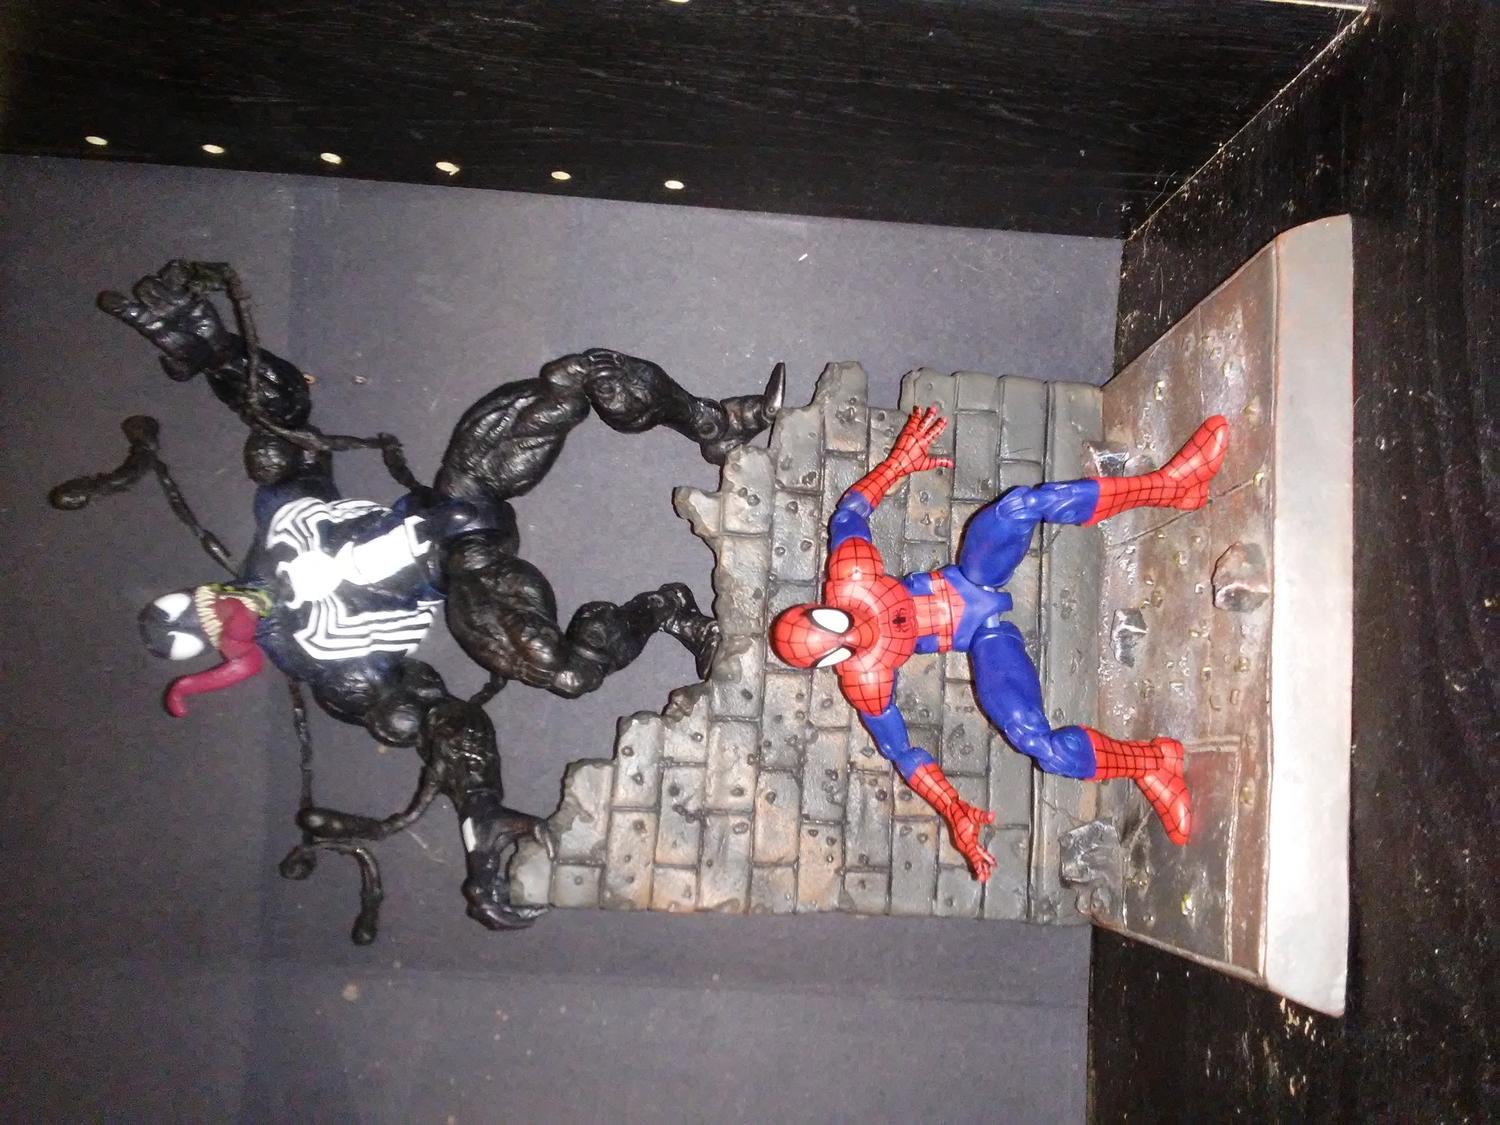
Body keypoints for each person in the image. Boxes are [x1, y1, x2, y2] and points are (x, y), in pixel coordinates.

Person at [769, 406, 1228, 880]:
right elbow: (902, 753)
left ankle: (1172, 485)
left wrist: (898, 463)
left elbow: (850, 511)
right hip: (982, 641)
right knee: (1037, 743)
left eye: (834, 622)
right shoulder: (865, 679)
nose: (855, 635)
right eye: (837, 647)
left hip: (972, 575)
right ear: (828, 663)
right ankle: (1153, 764)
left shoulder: (852, 572)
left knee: (1019, 506)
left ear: (821, 605)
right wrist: (951, 807)